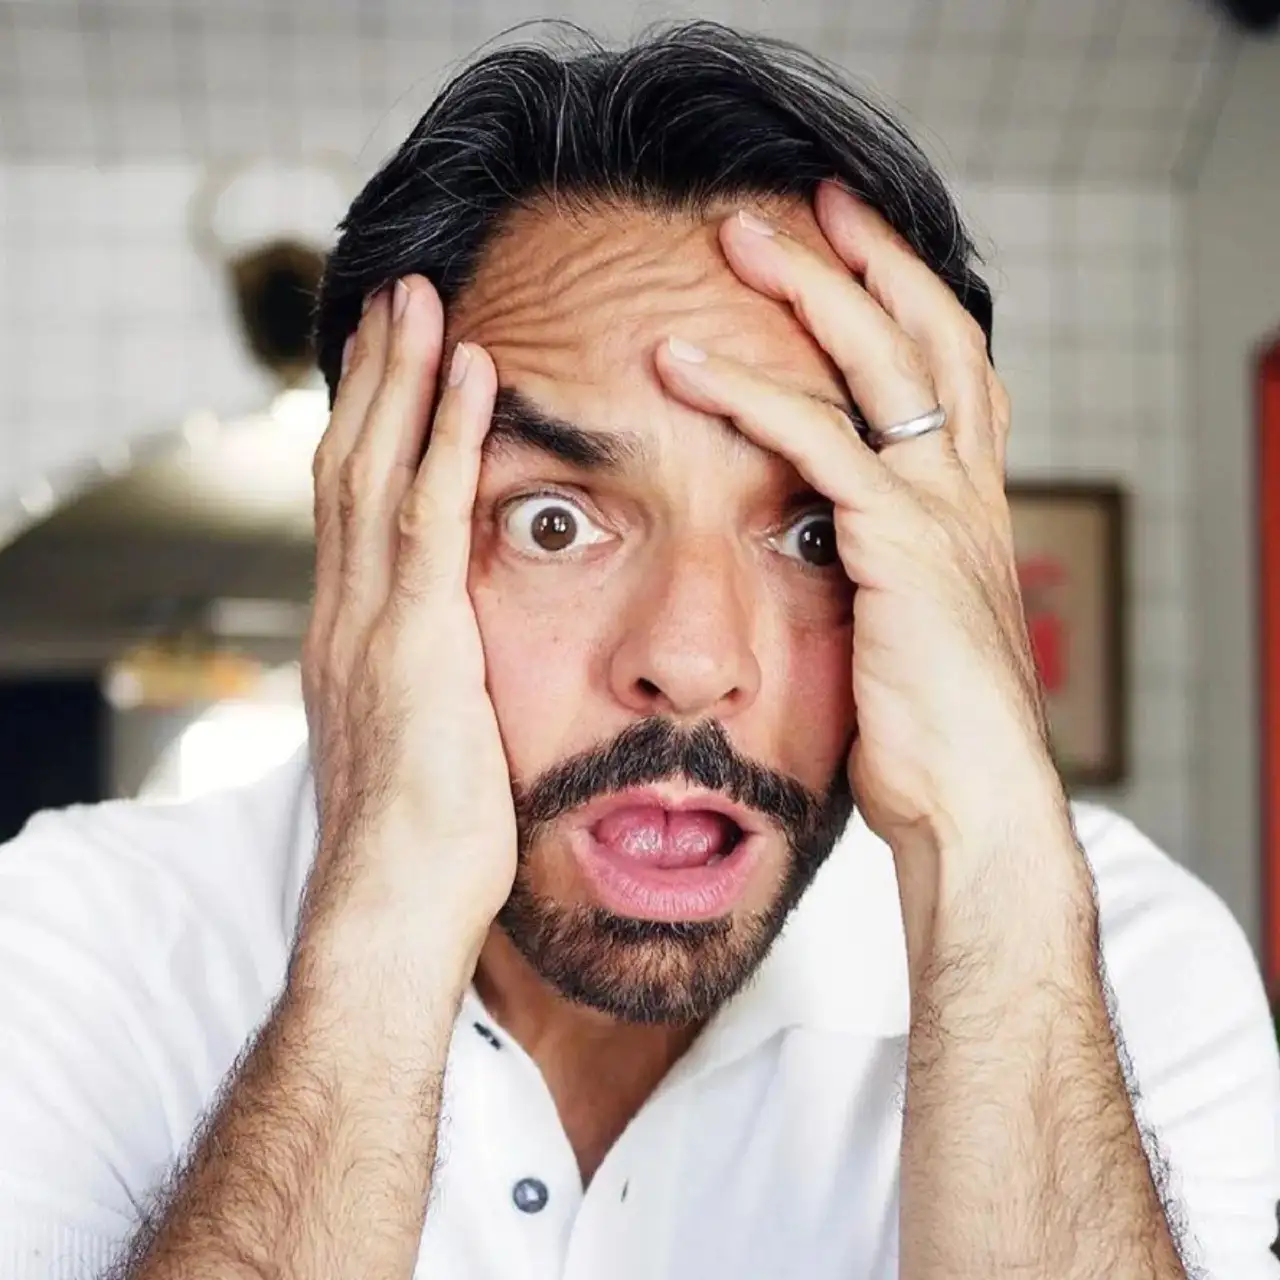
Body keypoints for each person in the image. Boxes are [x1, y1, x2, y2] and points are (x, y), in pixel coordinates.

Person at [0, 22, 1276, 1280]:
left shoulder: (1126, 966)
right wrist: (379, 929)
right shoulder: (75, 945)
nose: (690, 658)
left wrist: (985, 858)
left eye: (813, 532)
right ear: (370, 537)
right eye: (552, 522)